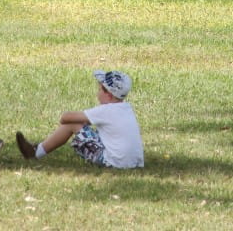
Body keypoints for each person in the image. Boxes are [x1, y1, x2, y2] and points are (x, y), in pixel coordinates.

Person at [15, 70, 144, 169]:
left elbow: (65, 118)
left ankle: (36, 152)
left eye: (99, 90)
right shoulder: (127, 109)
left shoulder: (105, 111)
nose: (97, 93)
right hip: (135, 163)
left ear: (108, 95)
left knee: (73, 125)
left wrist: (81, 121)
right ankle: (36, 150)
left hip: (113, 162)